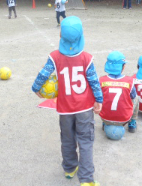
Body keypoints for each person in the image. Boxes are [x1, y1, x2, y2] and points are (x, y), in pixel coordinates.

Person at [32, 16, 102, 186]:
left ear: (60, 36)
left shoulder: (54, 57)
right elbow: (94, 80)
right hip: (84, 108)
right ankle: (86, 179)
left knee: (67, 138)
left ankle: (70, 168)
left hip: (64, 109)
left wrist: (36, 88)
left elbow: (43, 74)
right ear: (82, 36)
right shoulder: (87, 58)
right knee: (85, 140)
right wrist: (99, 99)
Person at [99, 51, 139, 135]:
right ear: (123, 67)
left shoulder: (101, 80)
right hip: (124, 119)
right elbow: (133, 96)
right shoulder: (129, 81)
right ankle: (132, 122)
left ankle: (105, 123)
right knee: (136, 98)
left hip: (105, 117)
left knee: (101, 97)